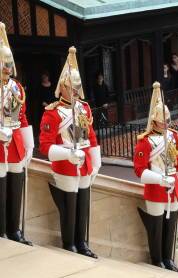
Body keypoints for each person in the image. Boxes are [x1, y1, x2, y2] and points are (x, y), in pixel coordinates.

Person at [39, 46, 101, 258]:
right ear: (62, 88)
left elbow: (90, 136)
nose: (74, 91)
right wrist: (67, 155)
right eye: (71, 87)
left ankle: (81, 242)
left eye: (77, 87)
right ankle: (70, 243)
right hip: (66, 164)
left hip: (84, 163)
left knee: (83, 203)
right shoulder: (52, 113)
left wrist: (96, 160)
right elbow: (45, 146)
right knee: (70, 206)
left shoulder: (84, 108)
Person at [133, 82, 178, 272]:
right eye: (163, 120)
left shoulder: (174, 137)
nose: (167, 123)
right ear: (154, 121)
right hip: (156, 187)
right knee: (156, 226)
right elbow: (140, 170)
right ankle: (157, 259)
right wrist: (159, 179)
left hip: (173, 186)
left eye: (168, 119)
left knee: (171, 222)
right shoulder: (145, 141)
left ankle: (168, 257)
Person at [0, 22, 34, 245]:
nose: (8, 68)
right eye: (4, 64)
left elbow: (22, 116)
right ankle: (1, 229)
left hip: (15, 143)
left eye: (9, 64)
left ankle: (15, 229)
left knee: (15, 186)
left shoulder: (17, 87)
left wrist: (29, 145)